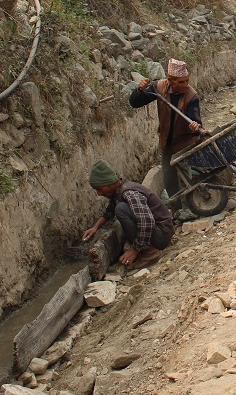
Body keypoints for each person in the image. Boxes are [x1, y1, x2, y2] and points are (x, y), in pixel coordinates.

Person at [129, 58, 205, 202]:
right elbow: (135, 103)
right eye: (181, 82)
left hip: (185, 142)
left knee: (184, 174)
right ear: (170, 80)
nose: (185, 85)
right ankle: (176, 206)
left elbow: (197, 122)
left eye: (187, 81)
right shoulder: (158, 88)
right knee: (168, 175)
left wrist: (195, 127)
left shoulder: (191, 96)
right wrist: (139, 90)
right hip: (167, 141)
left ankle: (191, 205)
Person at [82, 160, 174, 269]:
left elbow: (146, 221)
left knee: (121, 209)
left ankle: (149, 253)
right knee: (119, 207)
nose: (99, 193)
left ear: (109, 182)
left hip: (162, 234)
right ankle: (145, 248)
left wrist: (134, 250)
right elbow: (109, 211)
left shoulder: (129, 193)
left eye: (100, 189)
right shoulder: (119, 189)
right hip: (160, 231)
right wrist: (95, 228)